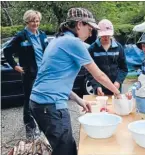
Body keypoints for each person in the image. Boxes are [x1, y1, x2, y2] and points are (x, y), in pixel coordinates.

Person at [29, 8, 121, 155]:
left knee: (63, 148)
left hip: (39, 103)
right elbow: (99, 76)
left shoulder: (57, 41)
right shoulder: (73, 42)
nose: (91, 34)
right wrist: (118, 93)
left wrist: (79, 100)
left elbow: (56, 81)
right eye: (90, 28)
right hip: (50, 106)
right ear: (79, 25)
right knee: (67, 151)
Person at [3, 9, 48, 139]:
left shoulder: (42, 36)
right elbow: (7, 51)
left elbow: (48, 52)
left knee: (43, 99)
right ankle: (30, 128)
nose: (35, 23)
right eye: (33, 21)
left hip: (43, 73)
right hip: (30, 73)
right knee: (29, 100)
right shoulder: (21, 36)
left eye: (37, 21)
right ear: (27, 21)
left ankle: (41, 126)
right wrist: (15, 66)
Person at [87, 19, 128, 95]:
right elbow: (89, 71)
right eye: (103, 36)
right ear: (99, 34)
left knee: (116, 106)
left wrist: (118, 81)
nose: (106, 38)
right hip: (100, 89)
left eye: (108, 35)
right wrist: (96, 86)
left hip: (116, 87)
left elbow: (124, 69)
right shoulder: (92, 49)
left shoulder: (119, 48)